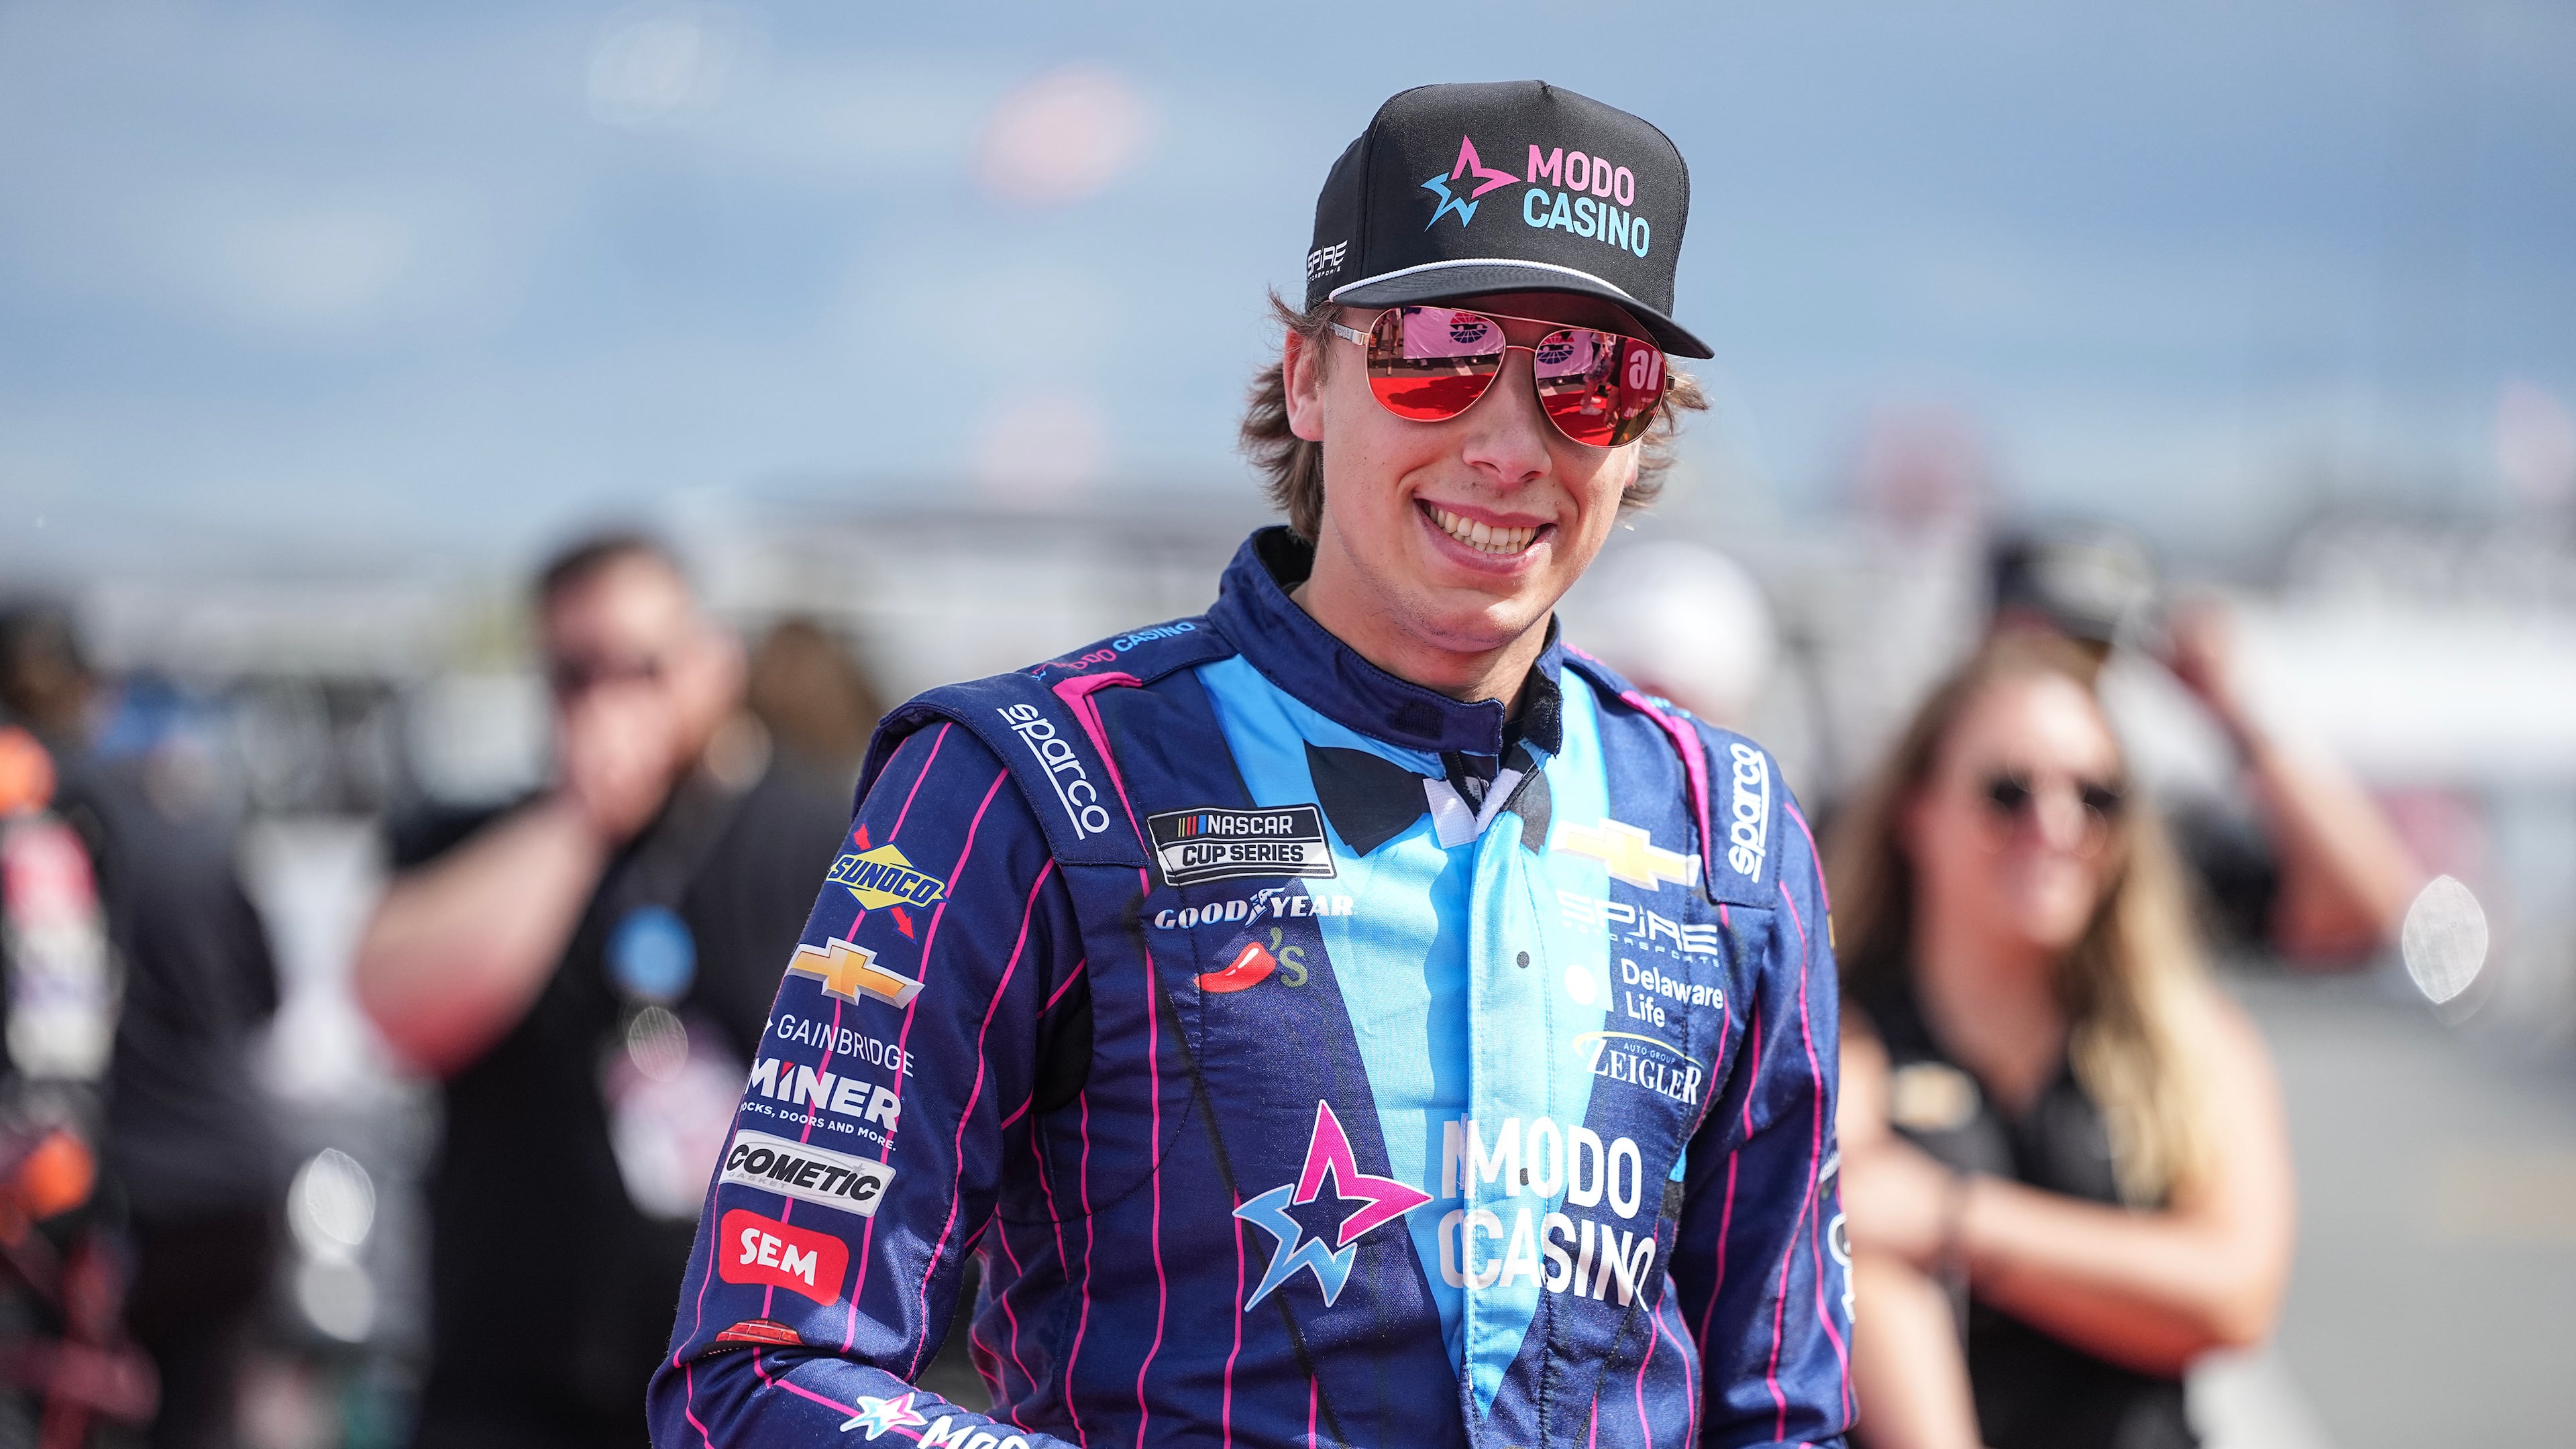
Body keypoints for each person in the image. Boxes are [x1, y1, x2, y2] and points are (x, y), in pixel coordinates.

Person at [649, 80, 1849, 1449]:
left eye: (1591, 375)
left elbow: (1785, 1419)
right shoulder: (1024, 783)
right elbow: (757, 1374)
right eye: (1442, 350)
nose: (1513, 444)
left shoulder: (1728, 835)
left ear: (1644, 428)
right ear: (1307, 377)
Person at [353, 535, 849, 1449]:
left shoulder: (819, 836)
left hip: (743, 1381)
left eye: (642, 668)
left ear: (714, 662)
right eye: (575, 675)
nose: (607, 703)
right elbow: (395, 1010)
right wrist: (578, 819)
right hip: (506, 1379)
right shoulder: (482, 837)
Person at [1828, 635, 2296, 1449]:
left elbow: (2234, 1294)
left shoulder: (2189, 1038)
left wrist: (1956, 1220)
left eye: (2097, 796)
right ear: (1917, 812)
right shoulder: (1845, 1038)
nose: (2056, 824)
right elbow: (1863, 1234)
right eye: (2008, 792)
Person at [0, 602, 280, 1449]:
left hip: (95, 1208)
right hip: (234, 1181)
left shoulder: (38, 824)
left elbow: (50, 1060)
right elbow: (266, 996)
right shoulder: (184, 814)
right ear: (96, 690)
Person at [1988, 526, 2416, 963]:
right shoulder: (1945, 814)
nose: (2061, 687)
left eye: (2091, 654)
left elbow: (2366, 909)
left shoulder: (2147, 838)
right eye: (2032, 653)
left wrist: (2232, 711)